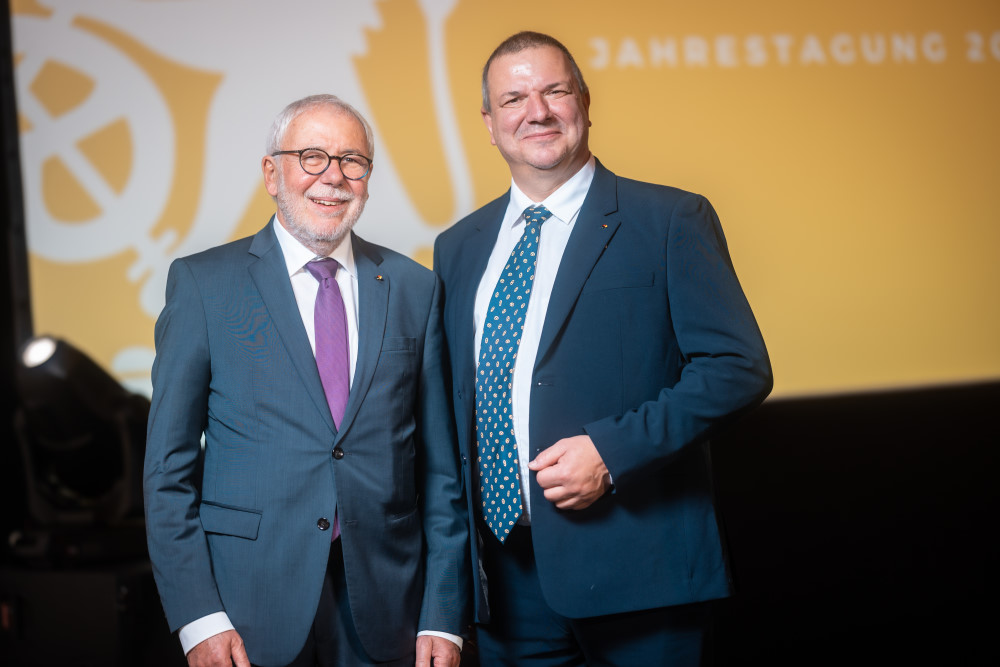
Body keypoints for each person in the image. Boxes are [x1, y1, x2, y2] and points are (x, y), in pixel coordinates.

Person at [433, 32, 773, 665]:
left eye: (554, 90)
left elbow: (738, 368)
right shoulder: (459, 246)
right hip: (504, 581)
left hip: (639, 568)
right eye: (513, 98)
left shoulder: (669, 218)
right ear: (489, 123)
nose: (536, 111)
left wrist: (612, 453)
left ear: (584, 101)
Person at [144, 94, 469, 667]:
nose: (334, 178)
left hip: (388, 606)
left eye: (353, 161)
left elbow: (442, 474)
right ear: (273, 173)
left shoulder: (416, 288)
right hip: (245, 607)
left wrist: (443, 615)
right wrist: (197, 618)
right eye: (312, 157)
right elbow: (167, 472)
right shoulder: (202, 285)